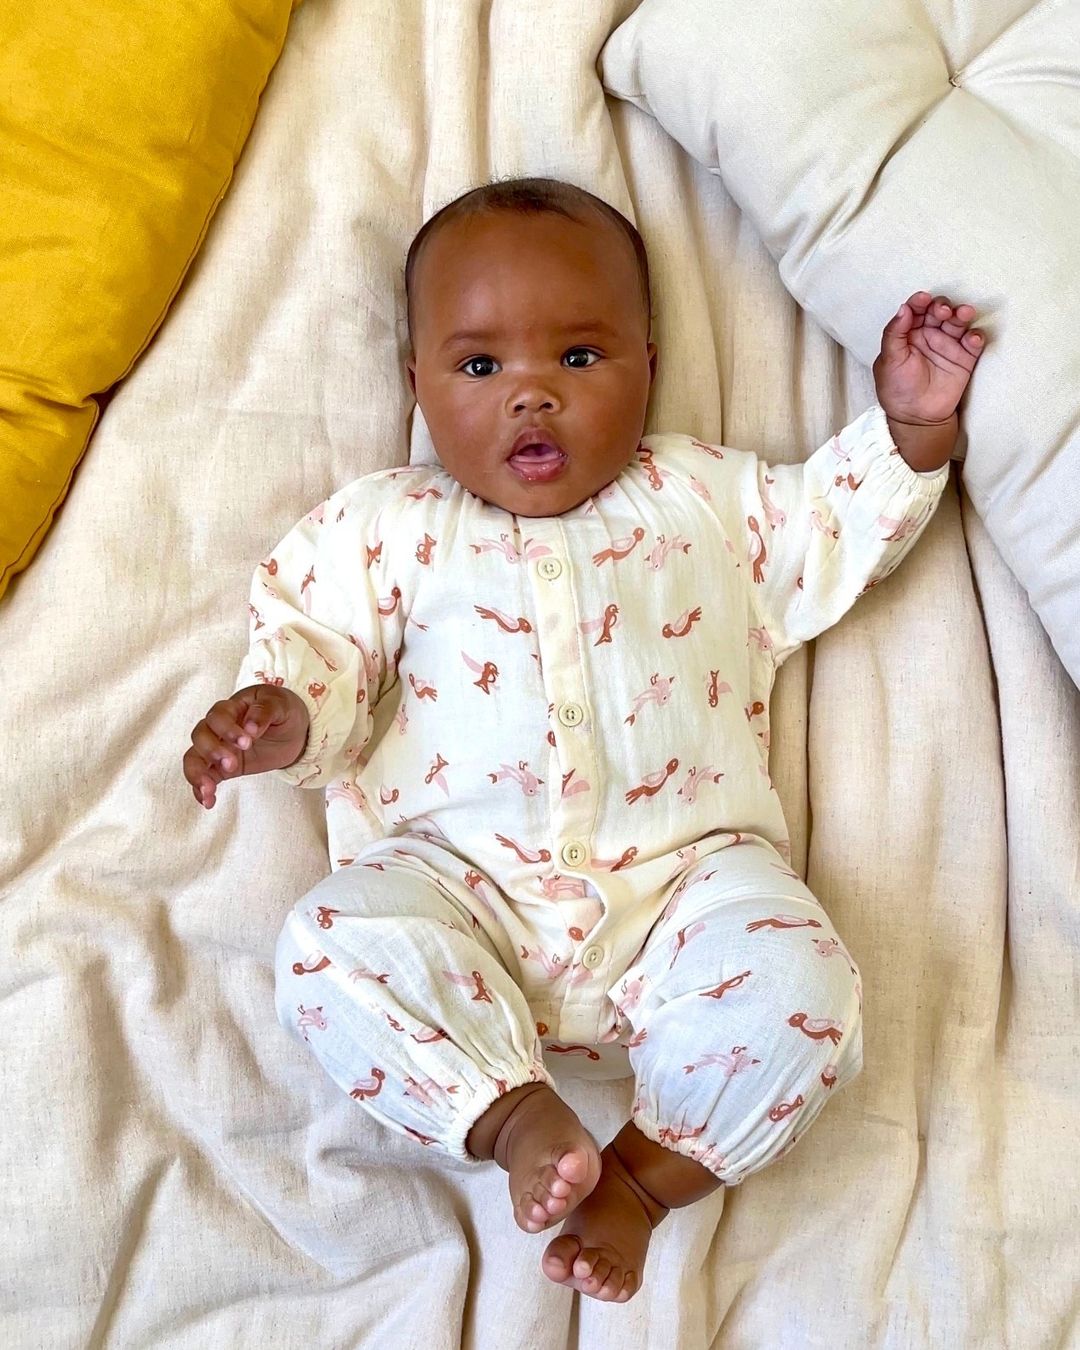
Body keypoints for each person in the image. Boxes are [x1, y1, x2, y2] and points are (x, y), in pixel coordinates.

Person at [182, 178, 985, 1303]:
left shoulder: (704, 501)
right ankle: (511, 1116)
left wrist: (912, 426)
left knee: (805, 987)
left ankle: (642, 1182)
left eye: (578, 357)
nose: (532, 396)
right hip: (457, 891)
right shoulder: (383, 527)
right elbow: (326, 661)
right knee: (326, 946)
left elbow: (829, 527)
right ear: (415, 384)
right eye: (479, 366)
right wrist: (279, 716)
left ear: (647, 367)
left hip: (685, 890)